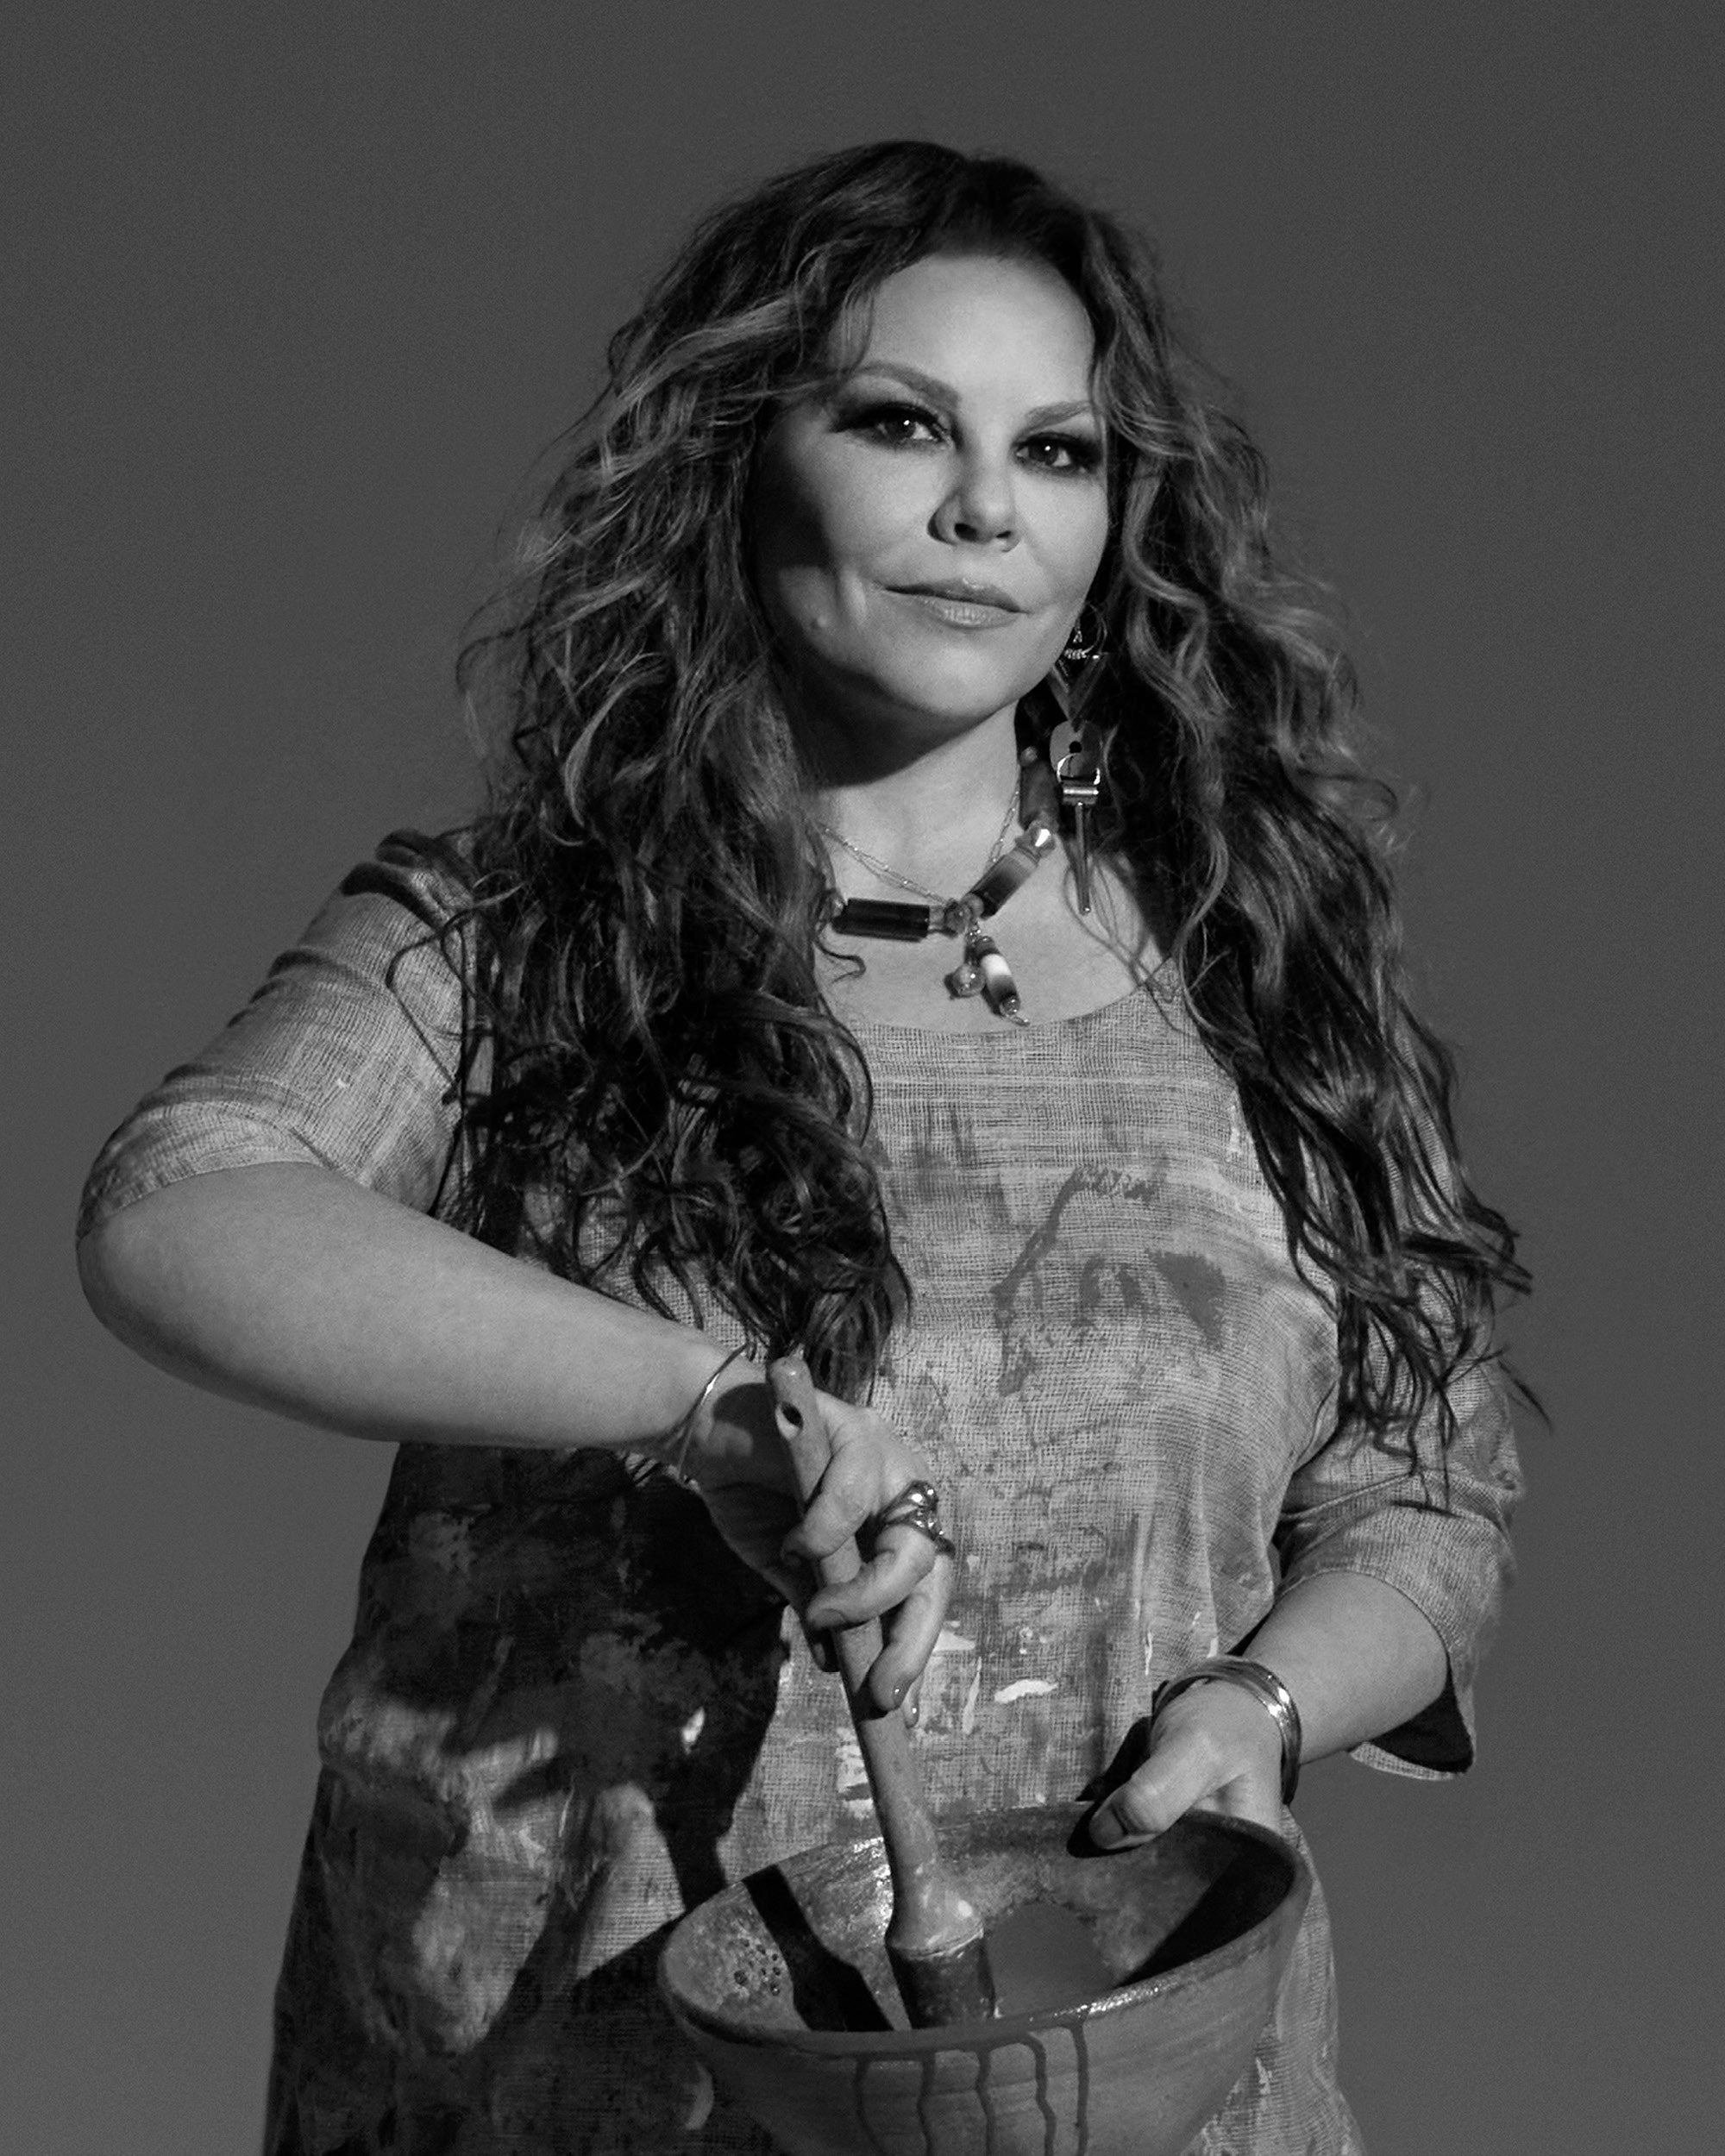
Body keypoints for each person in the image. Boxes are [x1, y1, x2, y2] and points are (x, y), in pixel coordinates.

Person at [77, 141, 1528, 2155]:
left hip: (1129, 2094)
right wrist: (705, 1403)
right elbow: (182, 1204)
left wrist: (1258, 1713)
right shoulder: (513, 938)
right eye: (900, 422)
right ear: (742, 459)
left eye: (1059, 452)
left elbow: (1422, 1498)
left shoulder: (1259, 982)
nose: (980, 510)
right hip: (561, 2092)